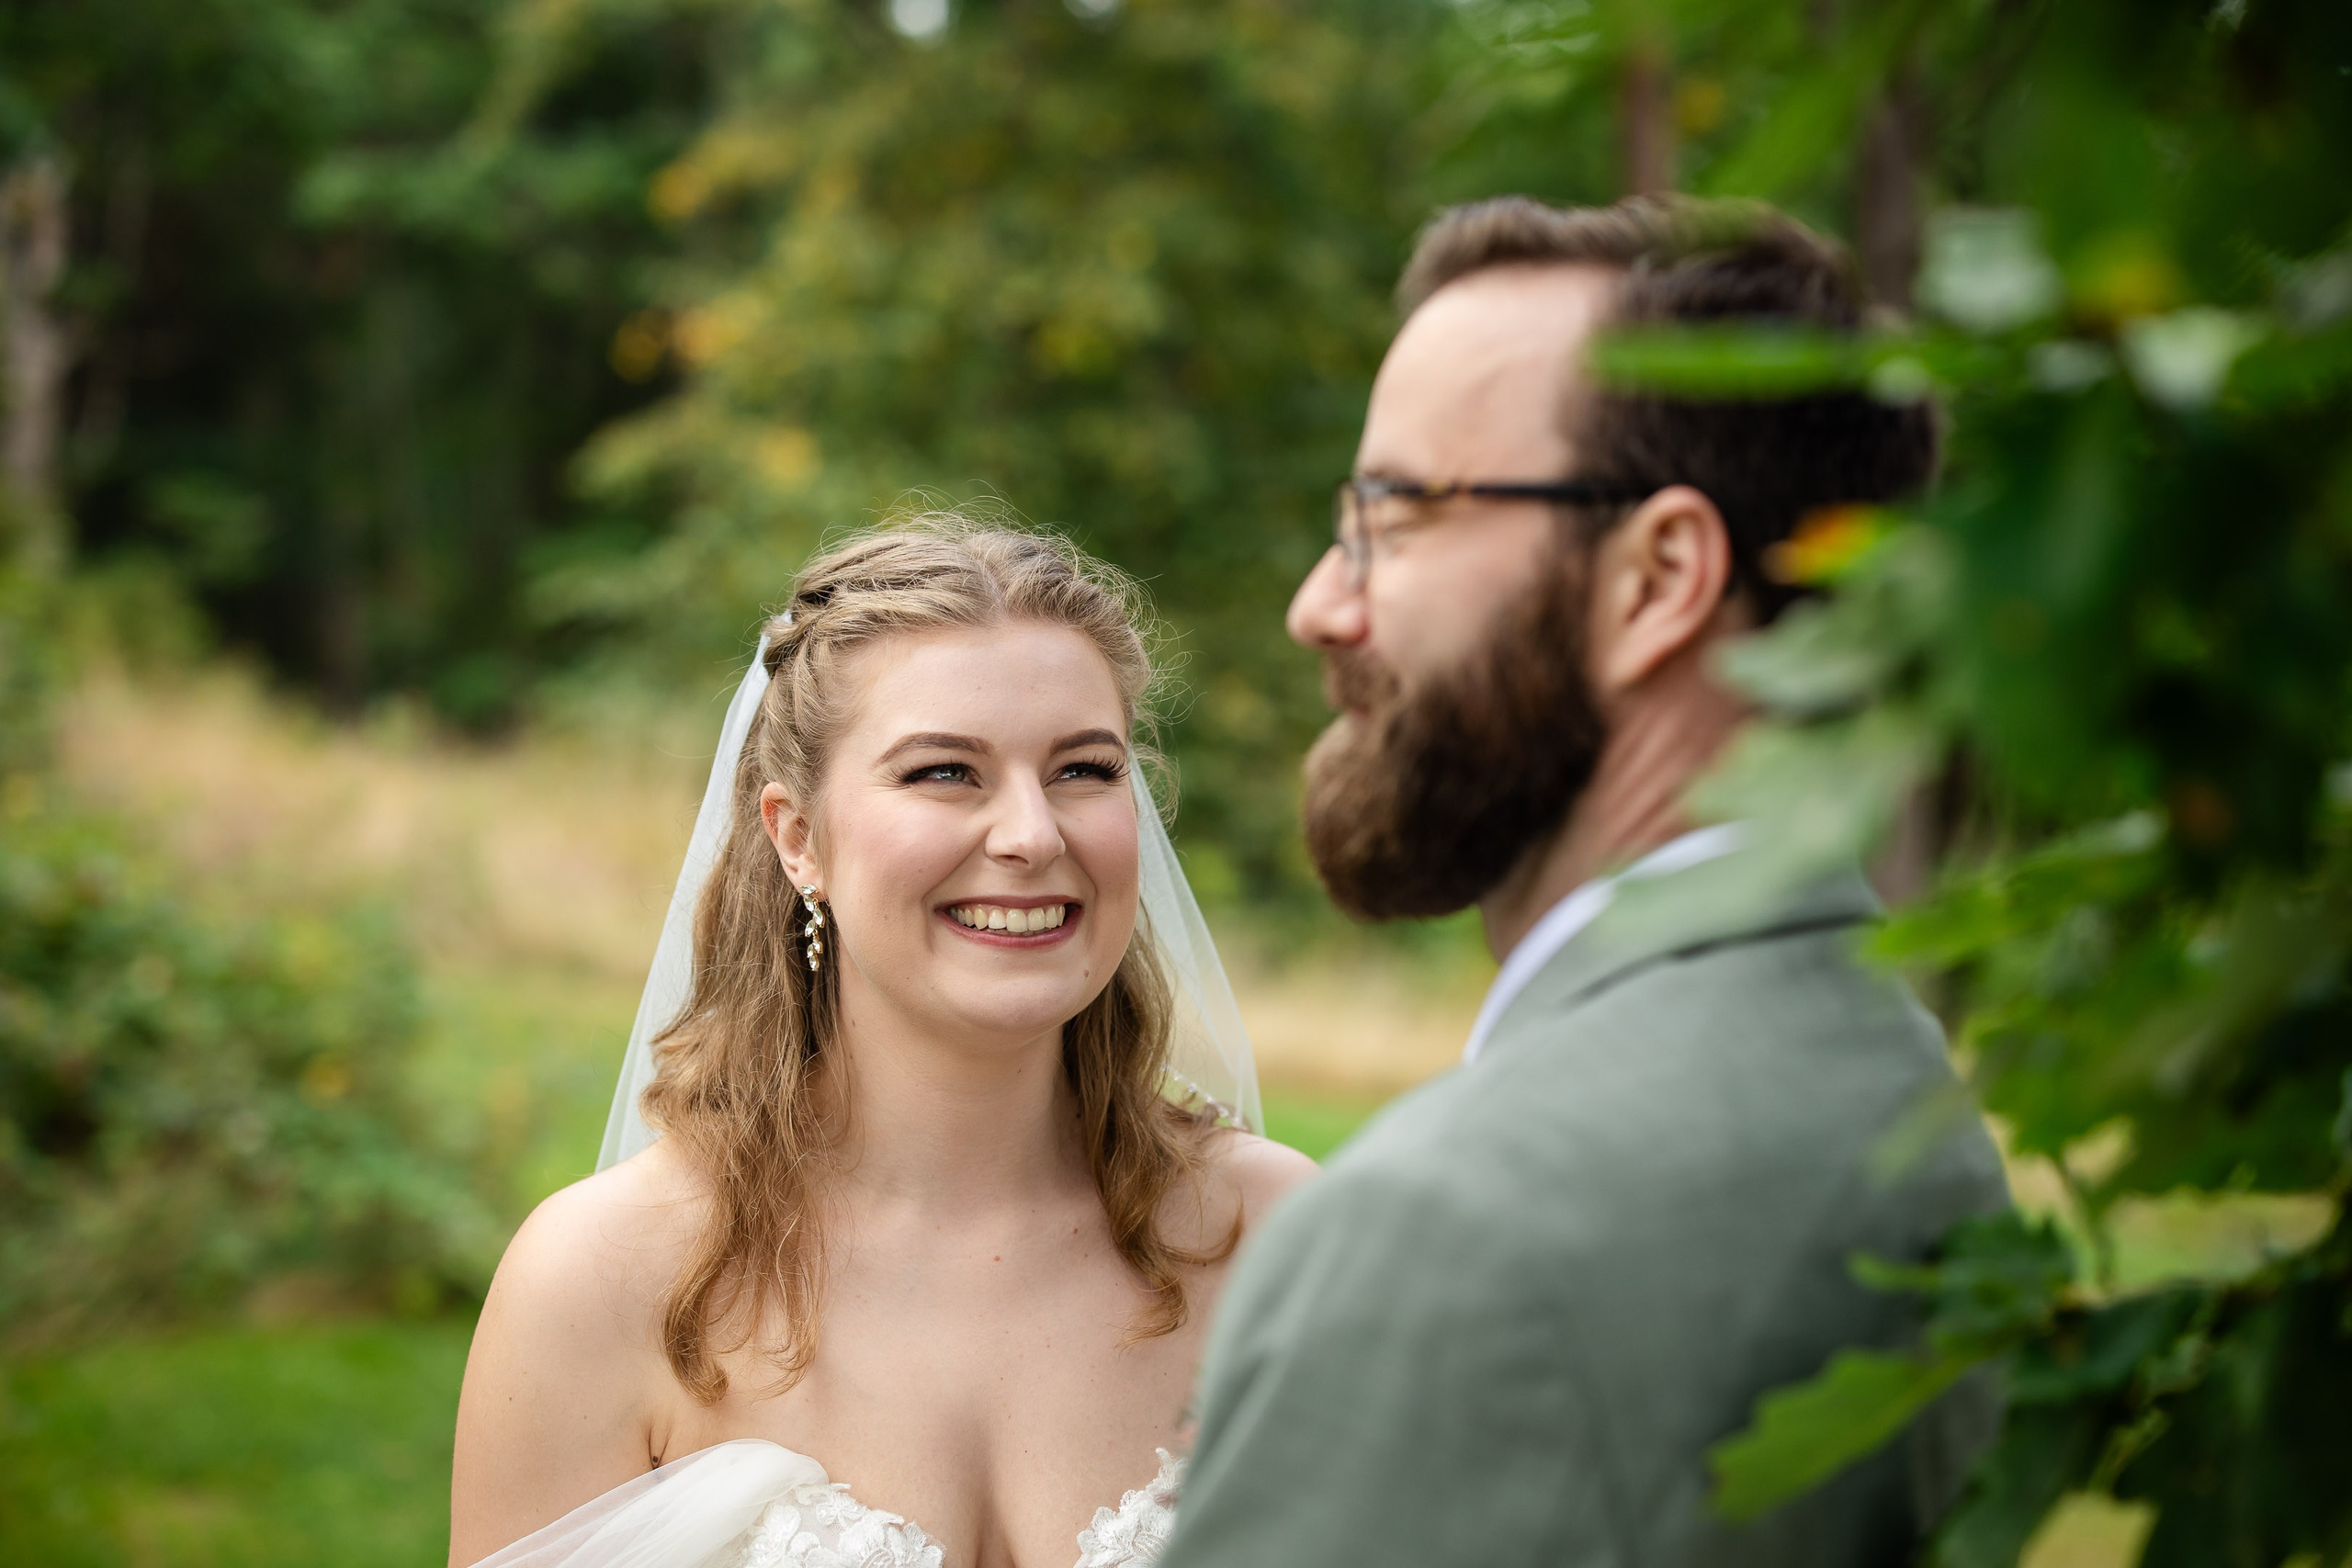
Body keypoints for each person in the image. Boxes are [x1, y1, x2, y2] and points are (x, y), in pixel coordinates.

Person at [1159, 195, 2012, 1568]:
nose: (1320, 603)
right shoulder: (1908, 1102)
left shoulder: (1448, 1234)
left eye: (1397, 513)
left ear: (1659, 578)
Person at [447, 519, 1312, 1568]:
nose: (1032, 835)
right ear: (798, 836)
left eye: (1083, 769)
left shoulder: (1282, 1244)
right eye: (945, 773)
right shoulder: (599, 1282)